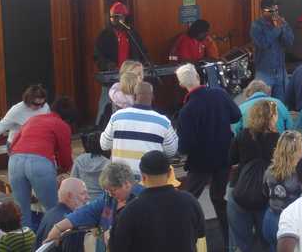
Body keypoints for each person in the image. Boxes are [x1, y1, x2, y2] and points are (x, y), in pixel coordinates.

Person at [175, 63, 241, 247]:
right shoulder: (219, 95)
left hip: (200, 162)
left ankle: (185, 237)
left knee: (188, 198)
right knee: (219, 198)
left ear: (181, 84)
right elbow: (236, 115)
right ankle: (230, 240)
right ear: (198, 76)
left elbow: (185, 146)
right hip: (223, 157)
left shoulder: (187, 111)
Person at [110, 151, 205, 252]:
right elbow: (200, 234)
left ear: (143, 176)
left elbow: (117, 247)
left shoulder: (129, 211)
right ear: (169, 173)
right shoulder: (190, 201)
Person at [8, 97, 76, 228]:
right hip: (39, 162)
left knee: (21, 213)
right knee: (53, 211)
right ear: (69, 117)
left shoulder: (33, 119)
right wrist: (64, 170)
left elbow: (13, 143)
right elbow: (65, 157)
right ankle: (52, 246)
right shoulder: (62, 125)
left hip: (15, 161)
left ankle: (26, 245)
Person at [45, 163, 144, 250]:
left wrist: (115, 234)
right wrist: (58, 227)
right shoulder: (108, 198)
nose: (110, 194)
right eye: (107, 191)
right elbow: (88, 211)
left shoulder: (143, 199)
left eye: (113, 190)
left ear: (126, 184)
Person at [227, 100, 279, 252]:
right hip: (266, 194)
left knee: (239, 242)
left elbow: (231, 159)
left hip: (240, 189)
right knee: (268, 240)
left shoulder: (242, 135)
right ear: (271, 117)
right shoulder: (278, 139)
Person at [100, 81, 178, 176]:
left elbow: (104, 145)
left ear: (134, 96)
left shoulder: (117, 117)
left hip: (121, 178)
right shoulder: (163, 122)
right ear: (152, 97)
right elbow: (171, 151)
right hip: (149, 177)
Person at [94, 2, 147, 125]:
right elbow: (97, 56)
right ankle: (100, 127)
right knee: (107, 102)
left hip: (131, 75)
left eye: (120, 17)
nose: (117, 19)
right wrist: (107, 65)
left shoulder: (132, 33)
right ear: (111, 18)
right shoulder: (104, 35)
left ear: (125, 17)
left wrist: (145, 63)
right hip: (112, 75)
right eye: (114, 17)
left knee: (132, 100)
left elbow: (142, 51)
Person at [261, 131, 302, 252]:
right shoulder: (300, 174)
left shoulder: (269, 170)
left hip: (270, 219)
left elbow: (265, 192)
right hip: (289, 225)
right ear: (297, 152)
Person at [250, 0, 293, 101]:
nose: (275, 13)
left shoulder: (281, 23)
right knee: (262, 104)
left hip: (281, 72)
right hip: (264, 72)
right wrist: (277, 29)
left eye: (276, 10)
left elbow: (289, 42)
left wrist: (283, 28)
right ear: (264, 11)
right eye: (271, 11)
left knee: (281, 103)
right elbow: (263, 43)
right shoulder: (256, 25)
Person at [35, 178, 88, 251]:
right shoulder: (72, 224)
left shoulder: (49, 214)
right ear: (69, 196)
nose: (88, 197)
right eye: (83, 193)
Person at [0, 84, 49, 150]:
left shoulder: (45, 106)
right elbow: (1, 126)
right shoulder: (16, 110)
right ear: (28, 100)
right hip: (17, 145)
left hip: (36, 143)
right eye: (36, 104)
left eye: (42, 103)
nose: (39, 107)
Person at [71, 131, 110, 201]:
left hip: (82, 201)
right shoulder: (108, 164)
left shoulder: (79, 159)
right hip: (101, 202)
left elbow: (72, 181)